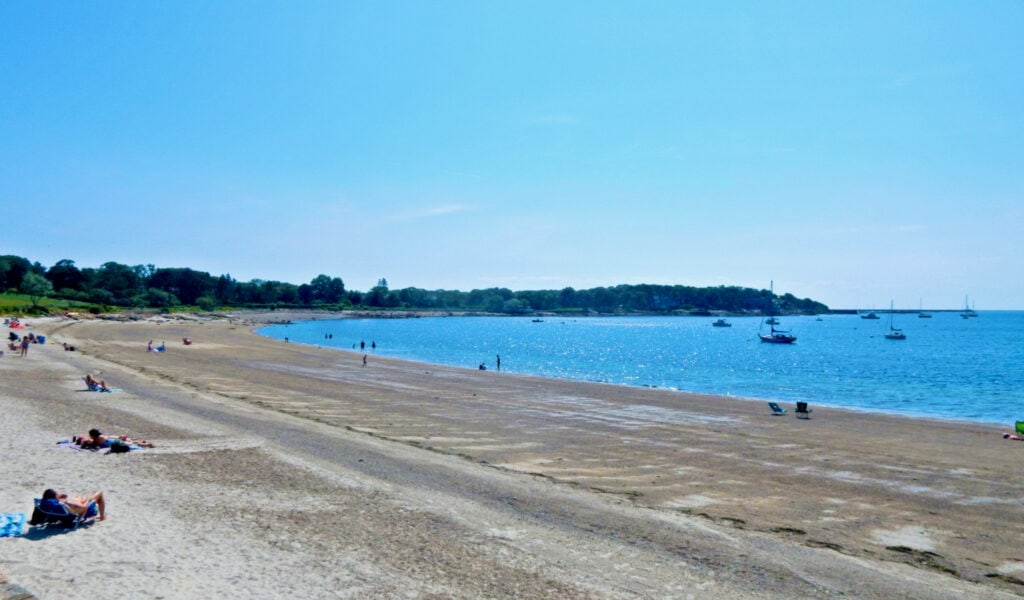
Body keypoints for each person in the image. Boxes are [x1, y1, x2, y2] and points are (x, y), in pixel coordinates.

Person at [41, 488, 106, 521]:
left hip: (75, 508)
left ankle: (101, 516)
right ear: (55, 497)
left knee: (94, 493)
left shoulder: (56, 504)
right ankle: (102, 517)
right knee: (100, 492)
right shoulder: (66, 503)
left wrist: (59, 497)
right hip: (84, 510)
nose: (58, 494)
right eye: (57, 493)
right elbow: (84, 507)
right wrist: (88, 500)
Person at [75, 428, 154, 449]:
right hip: (112, 440)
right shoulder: (101, 436)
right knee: (130, 442)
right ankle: (143, 442)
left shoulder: (97, 439)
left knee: (131, 444)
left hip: (112, 443)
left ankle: (147, 444)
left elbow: (90, 444)